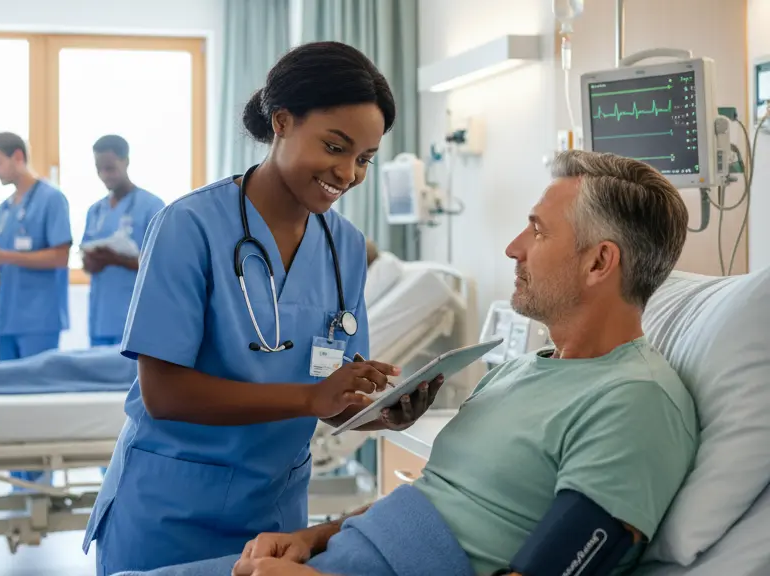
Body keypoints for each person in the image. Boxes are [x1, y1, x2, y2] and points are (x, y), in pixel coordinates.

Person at [221, 150, 699, 576]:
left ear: (598, 263)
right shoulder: (520, 370)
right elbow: (435, 499)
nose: (514, 248)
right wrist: (310, 539)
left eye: (538, 230)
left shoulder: (635, 401)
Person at [81, 41, 442, 576]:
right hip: (170, 508)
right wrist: (311, 396)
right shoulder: (189, 226)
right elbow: (163, 394)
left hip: (274, 520)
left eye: (364, 158)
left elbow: (331, 394)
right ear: (282, 121)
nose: (348, 173)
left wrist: (378, 414)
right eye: (335, 147)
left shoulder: (344, 247)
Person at [0, 131, 72, 487]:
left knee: (39, 401)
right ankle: (20, 479)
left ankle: (40, 480)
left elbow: (60, 256)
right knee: (12, 401)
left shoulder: (51, 199)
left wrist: (5, 256)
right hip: (10, 315)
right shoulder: (6, 207)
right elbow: (9, 259)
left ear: (18, 156)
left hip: (39, 317)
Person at [81, 135, 165, 348]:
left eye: (110, 168)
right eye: (98, 168)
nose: (104, 175)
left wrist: (116, 259)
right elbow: (86, 262)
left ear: (126, 161)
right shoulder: (95, 211)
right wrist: (91, 261)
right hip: (100, 317)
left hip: (134, 316)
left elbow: (160, 264)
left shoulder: (151, 207)